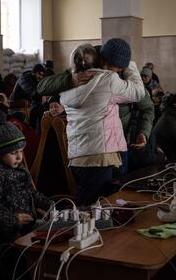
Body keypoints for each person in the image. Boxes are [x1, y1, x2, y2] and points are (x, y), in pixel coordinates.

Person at [41, 39, 145, 205]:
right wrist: (130, 64)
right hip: (100, 154)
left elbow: (43, 86)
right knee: (94, 208)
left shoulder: (72, 81)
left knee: (91, 205)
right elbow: (139, 92)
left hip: (79, 155)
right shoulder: (108, 80)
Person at [0, 110, 52, 246]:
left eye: (21, 151)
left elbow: (31, 192)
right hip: (11, 233)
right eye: (13, 152)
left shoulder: (17, 168)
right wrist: (12, 220)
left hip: (30, 224)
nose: (19, 157)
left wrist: (50, 205)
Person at [10, 64, 47, 129]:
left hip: (28, 99)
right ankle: (33, 127)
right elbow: (31, 91)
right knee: (37, 106)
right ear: (34, 73)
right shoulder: (25, 79)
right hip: (17, 101)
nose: (41, 77)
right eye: (39, 74)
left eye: (42, 75)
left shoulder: (35, 79)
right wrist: (41, 97)